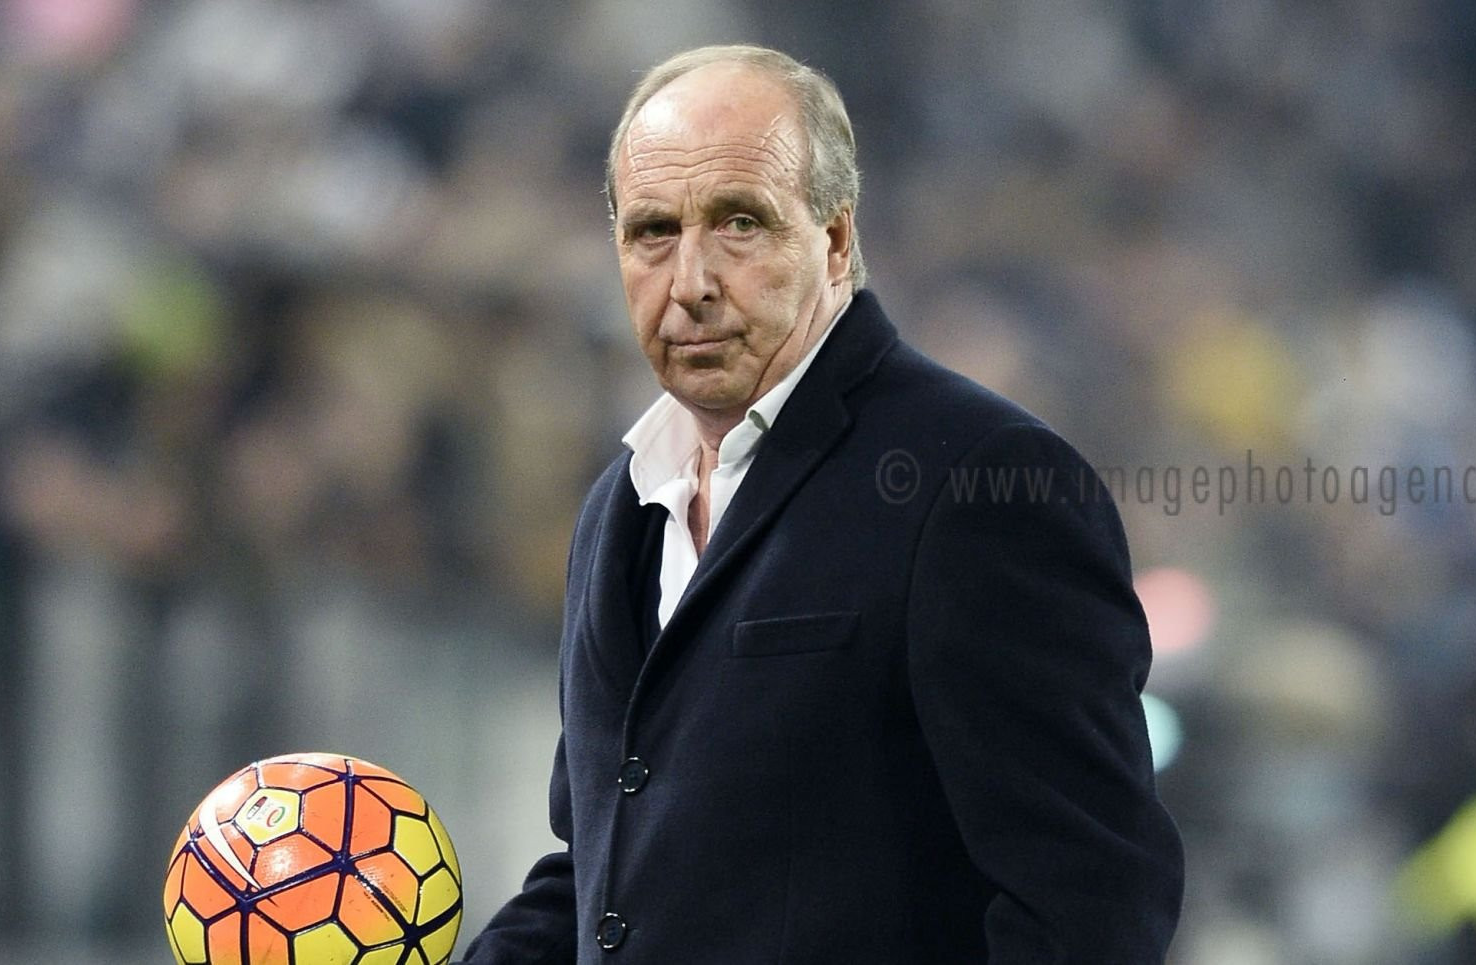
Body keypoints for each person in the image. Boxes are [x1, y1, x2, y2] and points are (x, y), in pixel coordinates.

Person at [464, 44, 1183, 963]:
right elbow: (607, 880)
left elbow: (1091, 899)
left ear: (836, 240)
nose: (689, 281)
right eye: (653, 231)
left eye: (739, 223)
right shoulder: (620, 508)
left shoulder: (979, 481)